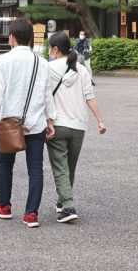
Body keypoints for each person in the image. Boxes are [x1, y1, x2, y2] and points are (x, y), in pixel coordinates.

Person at [0, 19, 56, 228]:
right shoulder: (41, 63)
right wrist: (51, 120)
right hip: (35, 121)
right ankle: (31, 214)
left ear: (11, 37)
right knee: (36, 169)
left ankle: (4, 207)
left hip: (9, 124)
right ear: (31, 38)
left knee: (5, 164)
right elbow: (46, 94)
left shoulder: (3, 61)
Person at [46, 32, 106, 223]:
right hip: (79, 125)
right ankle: (62, 200)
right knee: (69, 167)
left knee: (60, 167)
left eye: (50, 48)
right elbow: (90, 97)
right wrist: (100, 120)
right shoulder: (82, 69)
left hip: (58, 124)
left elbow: (43, 96)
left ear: (55, 49)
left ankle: (68, 206)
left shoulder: (49, 68)